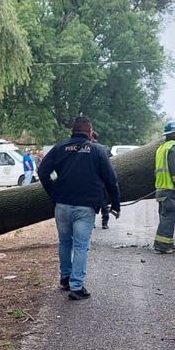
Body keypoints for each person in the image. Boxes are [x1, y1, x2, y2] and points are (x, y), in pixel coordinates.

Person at [37, 116, 121, 300]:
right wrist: (115, 204)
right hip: (85, 207)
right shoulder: (97, 150)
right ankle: (77, 287)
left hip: (62, 205)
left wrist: (53, 192)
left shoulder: (59, 148)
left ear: (72, 131)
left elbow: (42, 171)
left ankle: (65, 278)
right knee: (81, 246)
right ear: (90, 132)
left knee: (65, 243)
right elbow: (111, 179)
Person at [153, 119, 175, 254]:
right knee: (168, 217)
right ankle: (162, 245)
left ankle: (168, 242)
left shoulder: (162, 148)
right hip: (169, 188)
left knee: (165, 216)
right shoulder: (173, 147)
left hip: (161, 188)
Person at [90, 130, 113, 229]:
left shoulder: (87, 148)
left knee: (91, 203)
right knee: (104, 203)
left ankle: (92, 222)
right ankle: (105, 223)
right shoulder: (104, 148)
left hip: (91, 181)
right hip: (103, 180)